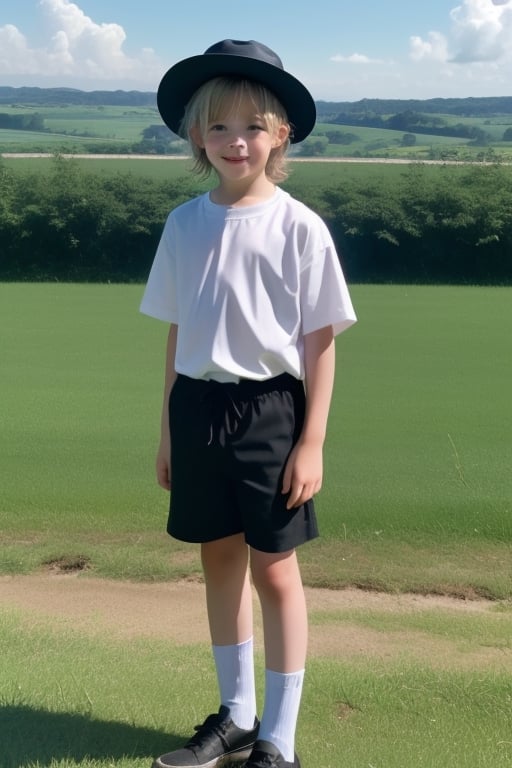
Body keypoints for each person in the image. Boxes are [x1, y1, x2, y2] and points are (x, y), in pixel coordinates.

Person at [140, 39, 357, 768]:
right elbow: (177, 334)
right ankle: (235, 716)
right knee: (218, 559)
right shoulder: (183, 225)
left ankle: (279, 738)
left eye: (253, 126)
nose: (237, 141)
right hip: (197, 411)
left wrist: (313, 441)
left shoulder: (300, 228)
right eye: (220, 126)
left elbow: (320, 341)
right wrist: (168, 430)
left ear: (281, 134)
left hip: (272, 413)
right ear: (197, 136)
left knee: (274, 570)